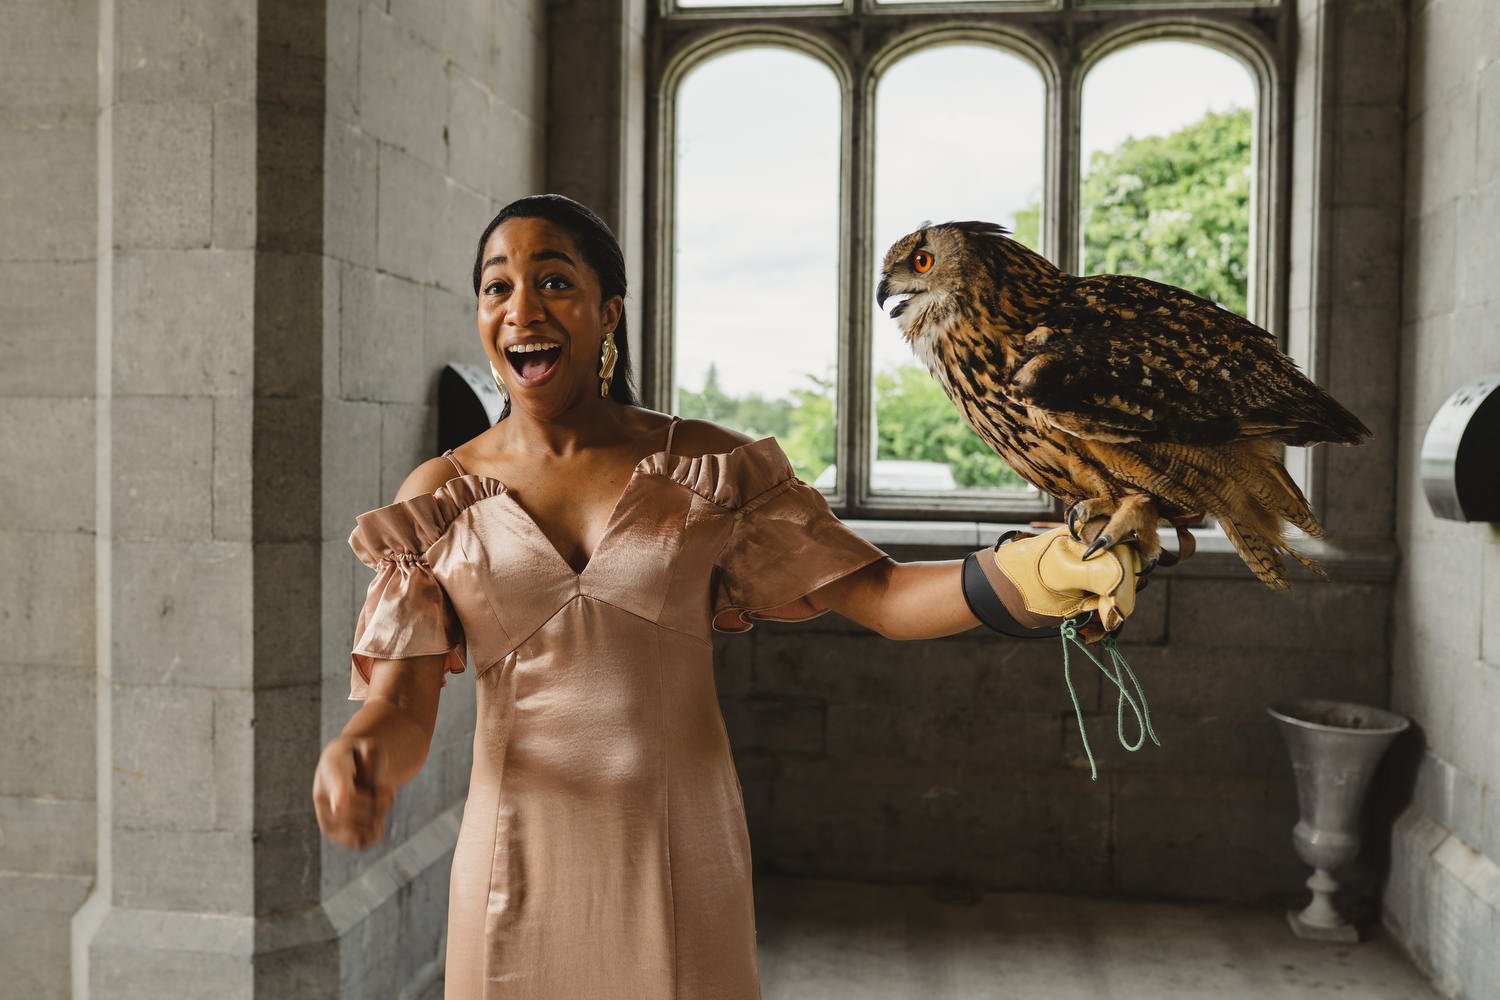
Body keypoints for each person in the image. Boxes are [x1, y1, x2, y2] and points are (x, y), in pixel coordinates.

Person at [312, 194, 1144, 998]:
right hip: (512, 871)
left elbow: (885, 596)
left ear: (609, 313)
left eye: (555, 281)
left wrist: (1033, 571)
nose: (522, 307)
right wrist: (364, 758)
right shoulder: (440, 494)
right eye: (498, 286)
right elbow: (403, 703)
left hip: (679, 857)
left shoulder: (711, 470)